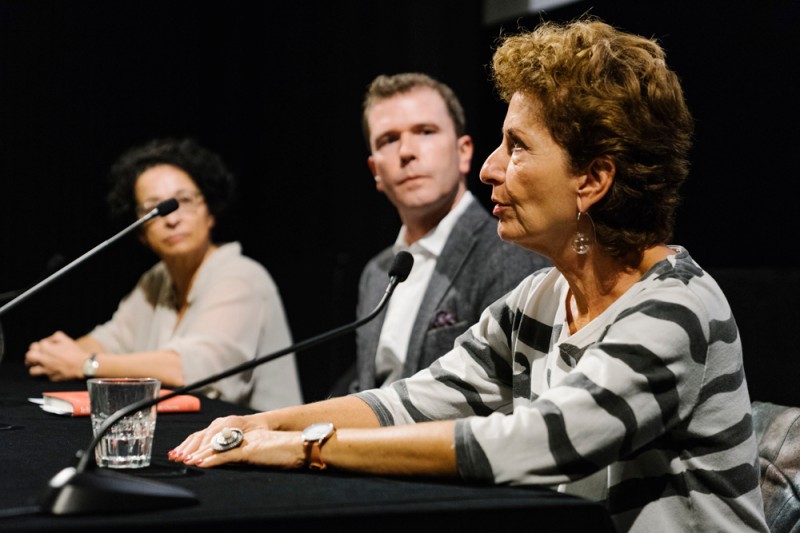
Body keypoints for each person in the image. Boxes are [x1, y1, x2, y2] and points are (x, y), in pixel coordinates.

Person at [168, 19, 768, 533]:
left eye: (517, 146)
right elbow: (418, 399)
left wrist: (304, 449)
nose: (489, 168)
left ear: (592, 180)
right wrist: (261, 423)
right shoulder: (539, 296)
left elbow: (533, 442)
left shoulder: (676, 310)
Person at [24, 138, 303, 411]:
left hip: (267, 446)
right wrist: (56, 353)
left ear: (210, 213)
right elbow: (111, 340)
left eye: (184, 200)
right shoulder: (156, 280)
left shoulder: (242, 278)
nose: (172, 219)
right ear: (141, 231)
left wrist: (86, 364)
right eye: (154, 209)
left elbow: (189, 370)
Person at [334, 72, 548, 394]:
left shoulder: (509, 250)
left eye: (425, 132)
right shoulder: (377, 273)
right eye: (389, 140)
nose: (407, 151)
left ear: (463, 152)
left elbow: (505, 397)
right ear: (376, 172)